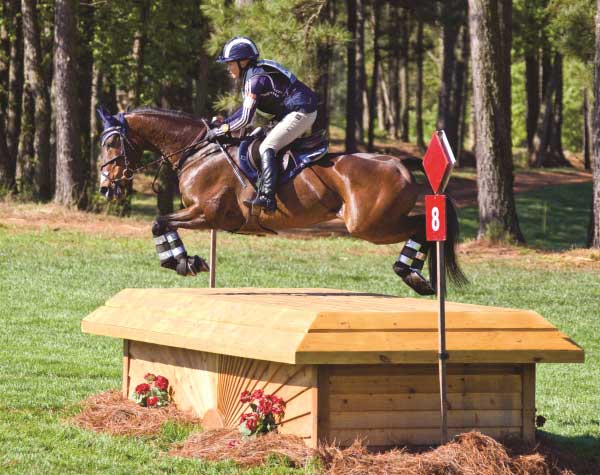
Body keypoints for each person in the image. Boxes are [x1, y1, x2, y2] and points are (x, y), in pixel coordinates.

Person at [206, 36, 319, 212]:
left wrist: (223, 130)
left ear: (243, 62)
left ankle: (267, 197)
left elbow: (246, 120)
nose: (228, 68)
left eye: (230, 63)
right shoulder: (252, 75)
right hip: (292, 110)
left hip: (302, 111)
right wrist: (225, 122)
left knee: (267, 146)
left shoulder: (254, 80)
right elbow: (243, 112)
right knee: (255, 137)